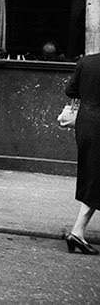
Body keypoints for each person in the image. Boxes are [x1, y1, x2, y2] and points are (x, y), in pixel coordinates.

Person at [64, 52, 100, 254]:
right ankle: (77, 233)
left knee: (93, 175)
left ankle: (77, 233)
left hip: (85, 124)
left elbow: (70, 90)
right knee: (95, 178)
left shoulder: (86, 62)